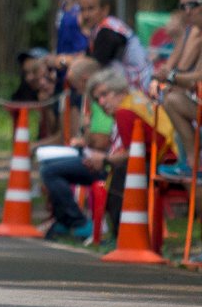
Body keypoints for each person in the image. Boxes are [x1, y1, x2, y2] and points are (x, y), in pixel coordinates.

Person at [39, 67, 174, 242]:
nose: (102, 102)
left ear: (119, 90)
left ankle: (89, 227)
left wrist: (105, 159)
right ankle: (69, 221)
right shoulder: (135, 99)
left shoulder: (125, 111)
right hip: (160, 159)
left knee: (51, 171)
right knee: (52, 168)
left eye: (105, 95)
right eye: (97, 99)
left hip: (157, 163)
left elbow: (134, 152)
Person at [154, 0, 202, 177]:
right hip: (196, 106)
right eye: (183, 6)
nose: (188, 11)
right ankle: (191, 163)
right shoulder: (193, 31)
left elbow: (195, 78)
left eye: (193, 4)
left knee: (172, 100)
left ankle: (192, 163)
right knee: (171, 98)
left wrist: (172, 77)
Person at [70, 0, 152, 91]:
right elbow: (89, 56)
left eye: (90, 9)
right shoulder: (103, 27)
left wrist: (69, 64)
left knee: (79, 73)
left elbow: (95, 64)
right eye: (82, 9)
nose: (85, 15)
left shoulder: (107, 31)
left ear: (105, 10)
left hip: (139, 85)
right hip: (133, 81)